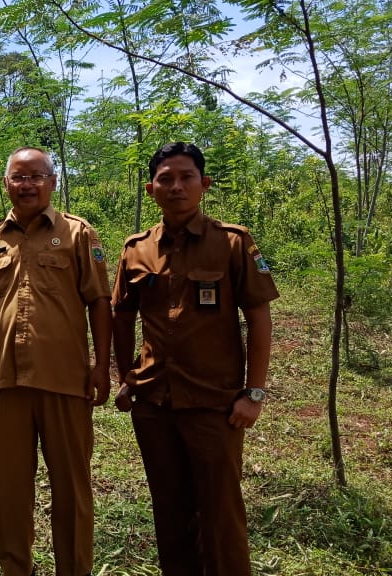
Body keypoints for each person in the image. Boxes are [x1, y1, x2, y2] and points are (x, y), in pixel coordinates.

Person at [111, 142, 278, 576]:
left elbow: (259, 318)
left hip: (215, 406)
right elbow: (122, 315)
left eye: (186, 177)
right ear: (151, 189)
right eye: (165, 179)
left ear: (204, 184)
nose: (176, 187)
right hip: (154, 406)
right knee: (169, 510)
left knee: (220, 514)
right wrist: (126, 375)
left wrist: (254, 394)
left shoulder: (232, 243)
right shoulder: (136, 249)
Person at [0, 146, 113, 576]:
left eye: (36, 176)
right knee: (10, 490)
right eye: (18, 177)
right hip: (6, 381)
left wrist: (102, 365)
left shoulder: (79, 234)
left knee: (72, 489)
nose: (27, 185)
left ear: (52, 182)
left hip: (64, 381)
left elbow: (100, 302)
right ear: (6, 184)